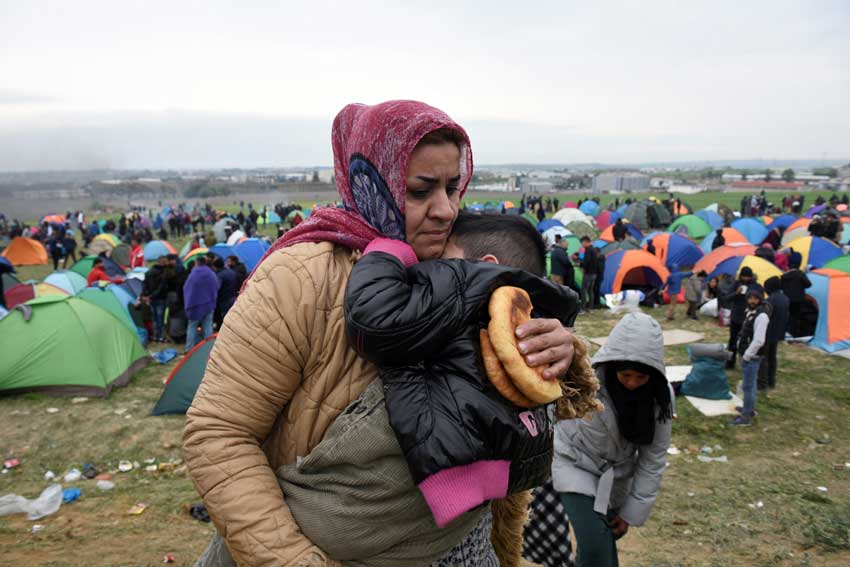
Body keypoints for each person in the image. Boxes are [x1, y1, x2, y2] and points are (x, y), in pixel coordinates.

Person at [184, 100, 580, 567]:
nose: (446, 210)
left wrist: (559, 350)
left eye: (454, 187)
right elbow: (219, 434)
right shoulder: (303, 278)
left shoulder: (460, 267)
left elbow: (505, 399)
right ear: (373, 184)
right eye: (420, 190)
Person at [281, 213, 577, 566]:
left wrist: (386, 255)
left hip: (423, 523)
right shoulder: (519, 334)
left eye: (440, 262)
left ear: (484, 267)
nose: (425, 270)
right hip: (468, 526)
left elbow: (377, 321)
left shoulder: (454, 319)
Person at [553, 312, 672, 567]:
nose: (632, 383)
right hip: (574, 463)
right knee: (597, 546)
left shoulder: (660, 397)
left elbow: (653, 457)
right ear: (613, 364)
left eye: (641, 378)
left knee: (597, 547)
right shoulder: (587, 379)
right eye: (626, 375)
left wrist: (631, 512)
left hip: (616, 477)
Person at [730, 288, 771, 426]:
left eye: (755, 298)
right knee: (750, 384)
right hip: (747, 354)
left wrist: (747, 355)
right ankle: (749, 409)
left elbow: (759, 340)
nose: (752, 301)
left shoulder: (761, 316)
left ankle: (745, 417)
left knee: (748, 386)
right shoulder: (751, 312)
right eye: (750, 298)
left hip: (752, 357)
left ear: (760, 299)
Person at [722, 267, 762, 369]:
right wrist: (736, 293)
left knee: (746, 341)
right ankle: (730, 362)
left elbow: (761, 299)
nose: (745, 278)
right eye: (743, 276)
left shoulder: (756, 286)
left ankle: (746, 362)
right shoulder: (736, 284)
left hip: (749, 318)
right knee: (732, 340)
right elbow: (727, 298)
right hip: (736, 316)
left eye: (747, 276)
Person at [183, 256, 219, 352]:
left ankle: (189, 349)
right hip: (208, 304)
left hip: (194, 305)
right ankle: (209, 349)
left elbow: (187, 289)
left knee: (192, 327)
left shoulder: (193, 275)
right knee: (208, 327)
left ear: (197, 263)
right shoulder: (211, 274)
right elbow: (216, 286)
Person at [759, 277, 789, 391]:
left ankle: (762, 383)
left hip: (768, 332)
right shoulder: (785, 298)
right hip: (778, 332)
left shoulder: (771, 300)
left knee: (763, 357)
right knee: (772, 357)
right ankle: (771, 381)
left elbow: (765, 317)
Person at [781, 252, 811, 337]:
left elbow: (782, 286)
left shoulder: (784, 275)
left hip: (787, 298)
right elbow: (808, 284)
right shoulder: (800, 274)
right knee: (796, 316)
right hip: (799, 299)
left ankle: (785, 331)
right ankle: (792, 332)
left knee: (788, 315)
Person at [142, 256, 169, 342]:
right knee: (160, 318)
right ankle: (160, 336)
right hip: (160, 298)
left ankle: (155, 336)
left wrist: (146, 295)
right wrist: (151, 296)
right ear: (162, 262)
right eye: (165, 262)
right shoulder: (163, 273)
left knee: (154, 318)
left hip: (151, 298)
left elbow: (144, 284)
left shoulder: (149, 272)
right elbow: (161, 288)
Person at [213, 257, 238, 328]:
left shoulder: (220, 275)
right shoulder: (231, 272)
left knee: (224, 317)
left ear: (215, 267)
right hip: (233, 296)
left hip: (224, 299)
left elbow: (217, 288)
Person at [579, 236, 600, 313]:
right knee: (590, 291)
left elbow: (586, 261)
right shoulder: (594, 250)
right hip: (594, 274)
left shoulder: (588, 250)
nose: (582, 244)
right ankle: (590, 308)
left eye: (582, 243)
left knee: (583, 290)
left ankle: (583, 309)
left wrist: (581, 265)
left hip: (588, 273)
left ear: (585, 242)